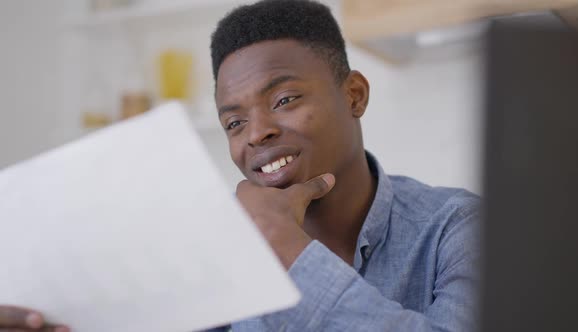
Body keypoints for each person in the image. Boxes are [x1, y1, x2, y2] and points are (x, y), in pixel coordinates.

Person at [0, 0, 480, 331]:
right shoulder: (209, 254)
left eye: (285, 98)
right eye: (233, 122)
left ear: (353, 94)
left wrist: (287, 248)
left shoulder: (461, 228)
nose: (256, 134)